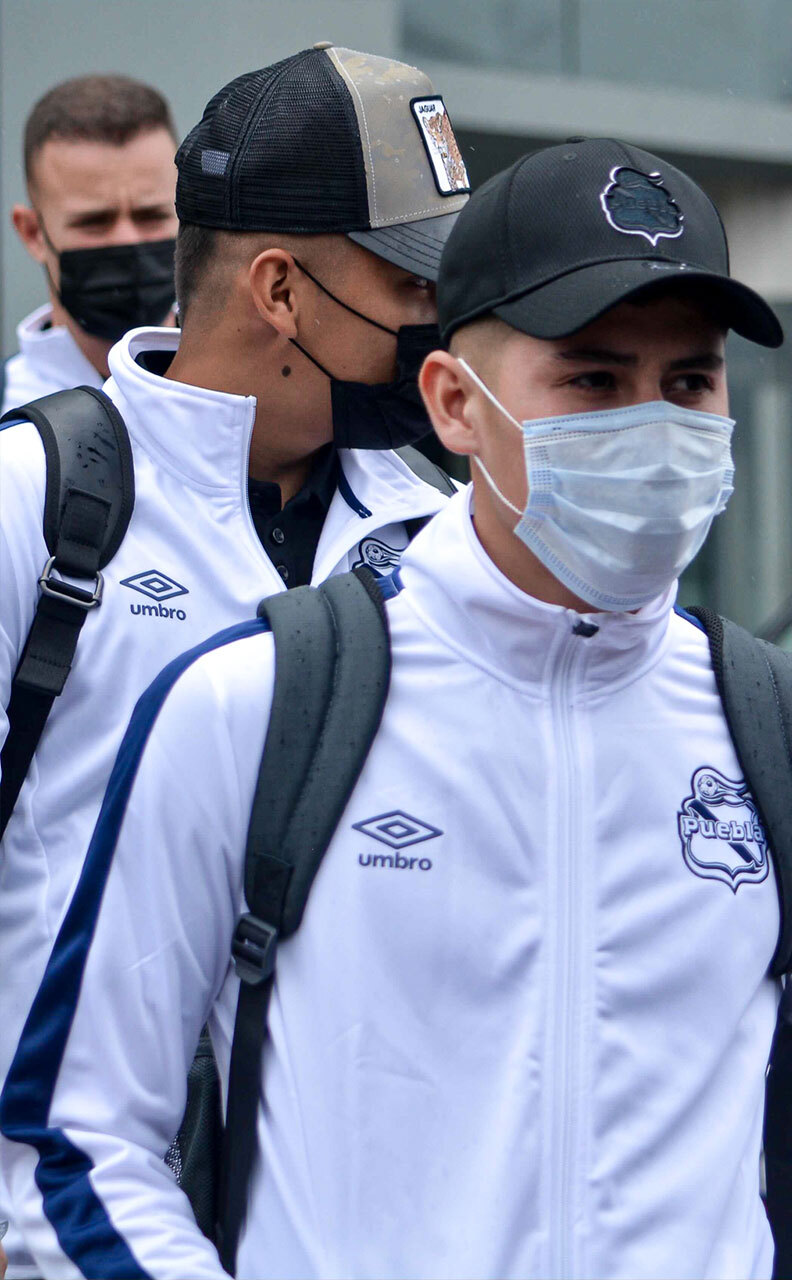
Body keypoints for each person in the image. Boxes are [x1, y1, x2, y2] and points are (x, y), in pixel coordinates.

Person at [0, 137, 792, 1279]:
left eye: (689, 382)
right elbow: (88, 1128)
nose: (653, 425)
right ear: (454, 405)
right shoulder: (257, 705)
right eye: (592, 378)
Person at [0, 45, 467, 1278]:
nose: (442, 322)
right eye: (408, 281)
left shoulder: (436, 539)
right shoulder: (34, 499)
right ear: (280, 289)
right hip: (56, 1238)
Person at [2, 74, 179, 415]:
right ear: (32, 233)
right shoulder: (7, 414)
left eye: (150, 216)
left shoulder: (254, 407)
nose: (128, 239)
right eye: (94, 222)